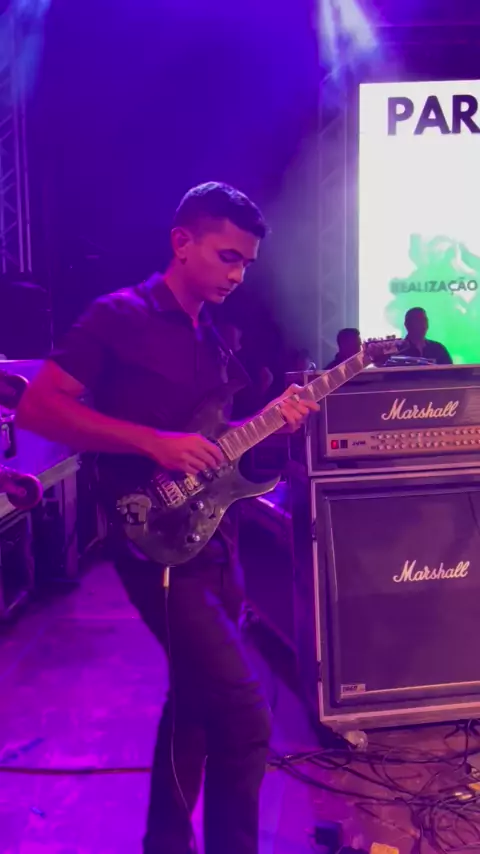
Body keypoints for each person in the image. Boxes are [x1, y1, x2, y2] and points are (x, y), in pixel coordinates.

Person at [16, 182, 318, 854]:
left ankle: (165, 843)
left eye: (247, 265)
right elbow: (38, 408)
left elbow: (213, 447)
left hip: (215, 542)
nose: (238, 276)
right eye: (228, 257)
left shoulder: (216, 336)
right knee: (245, 720)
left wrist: (271, 424)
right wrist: (150, 442)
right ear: (182, 242)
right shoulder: (117, 317)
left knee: (193, 706)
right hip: (151, 544)